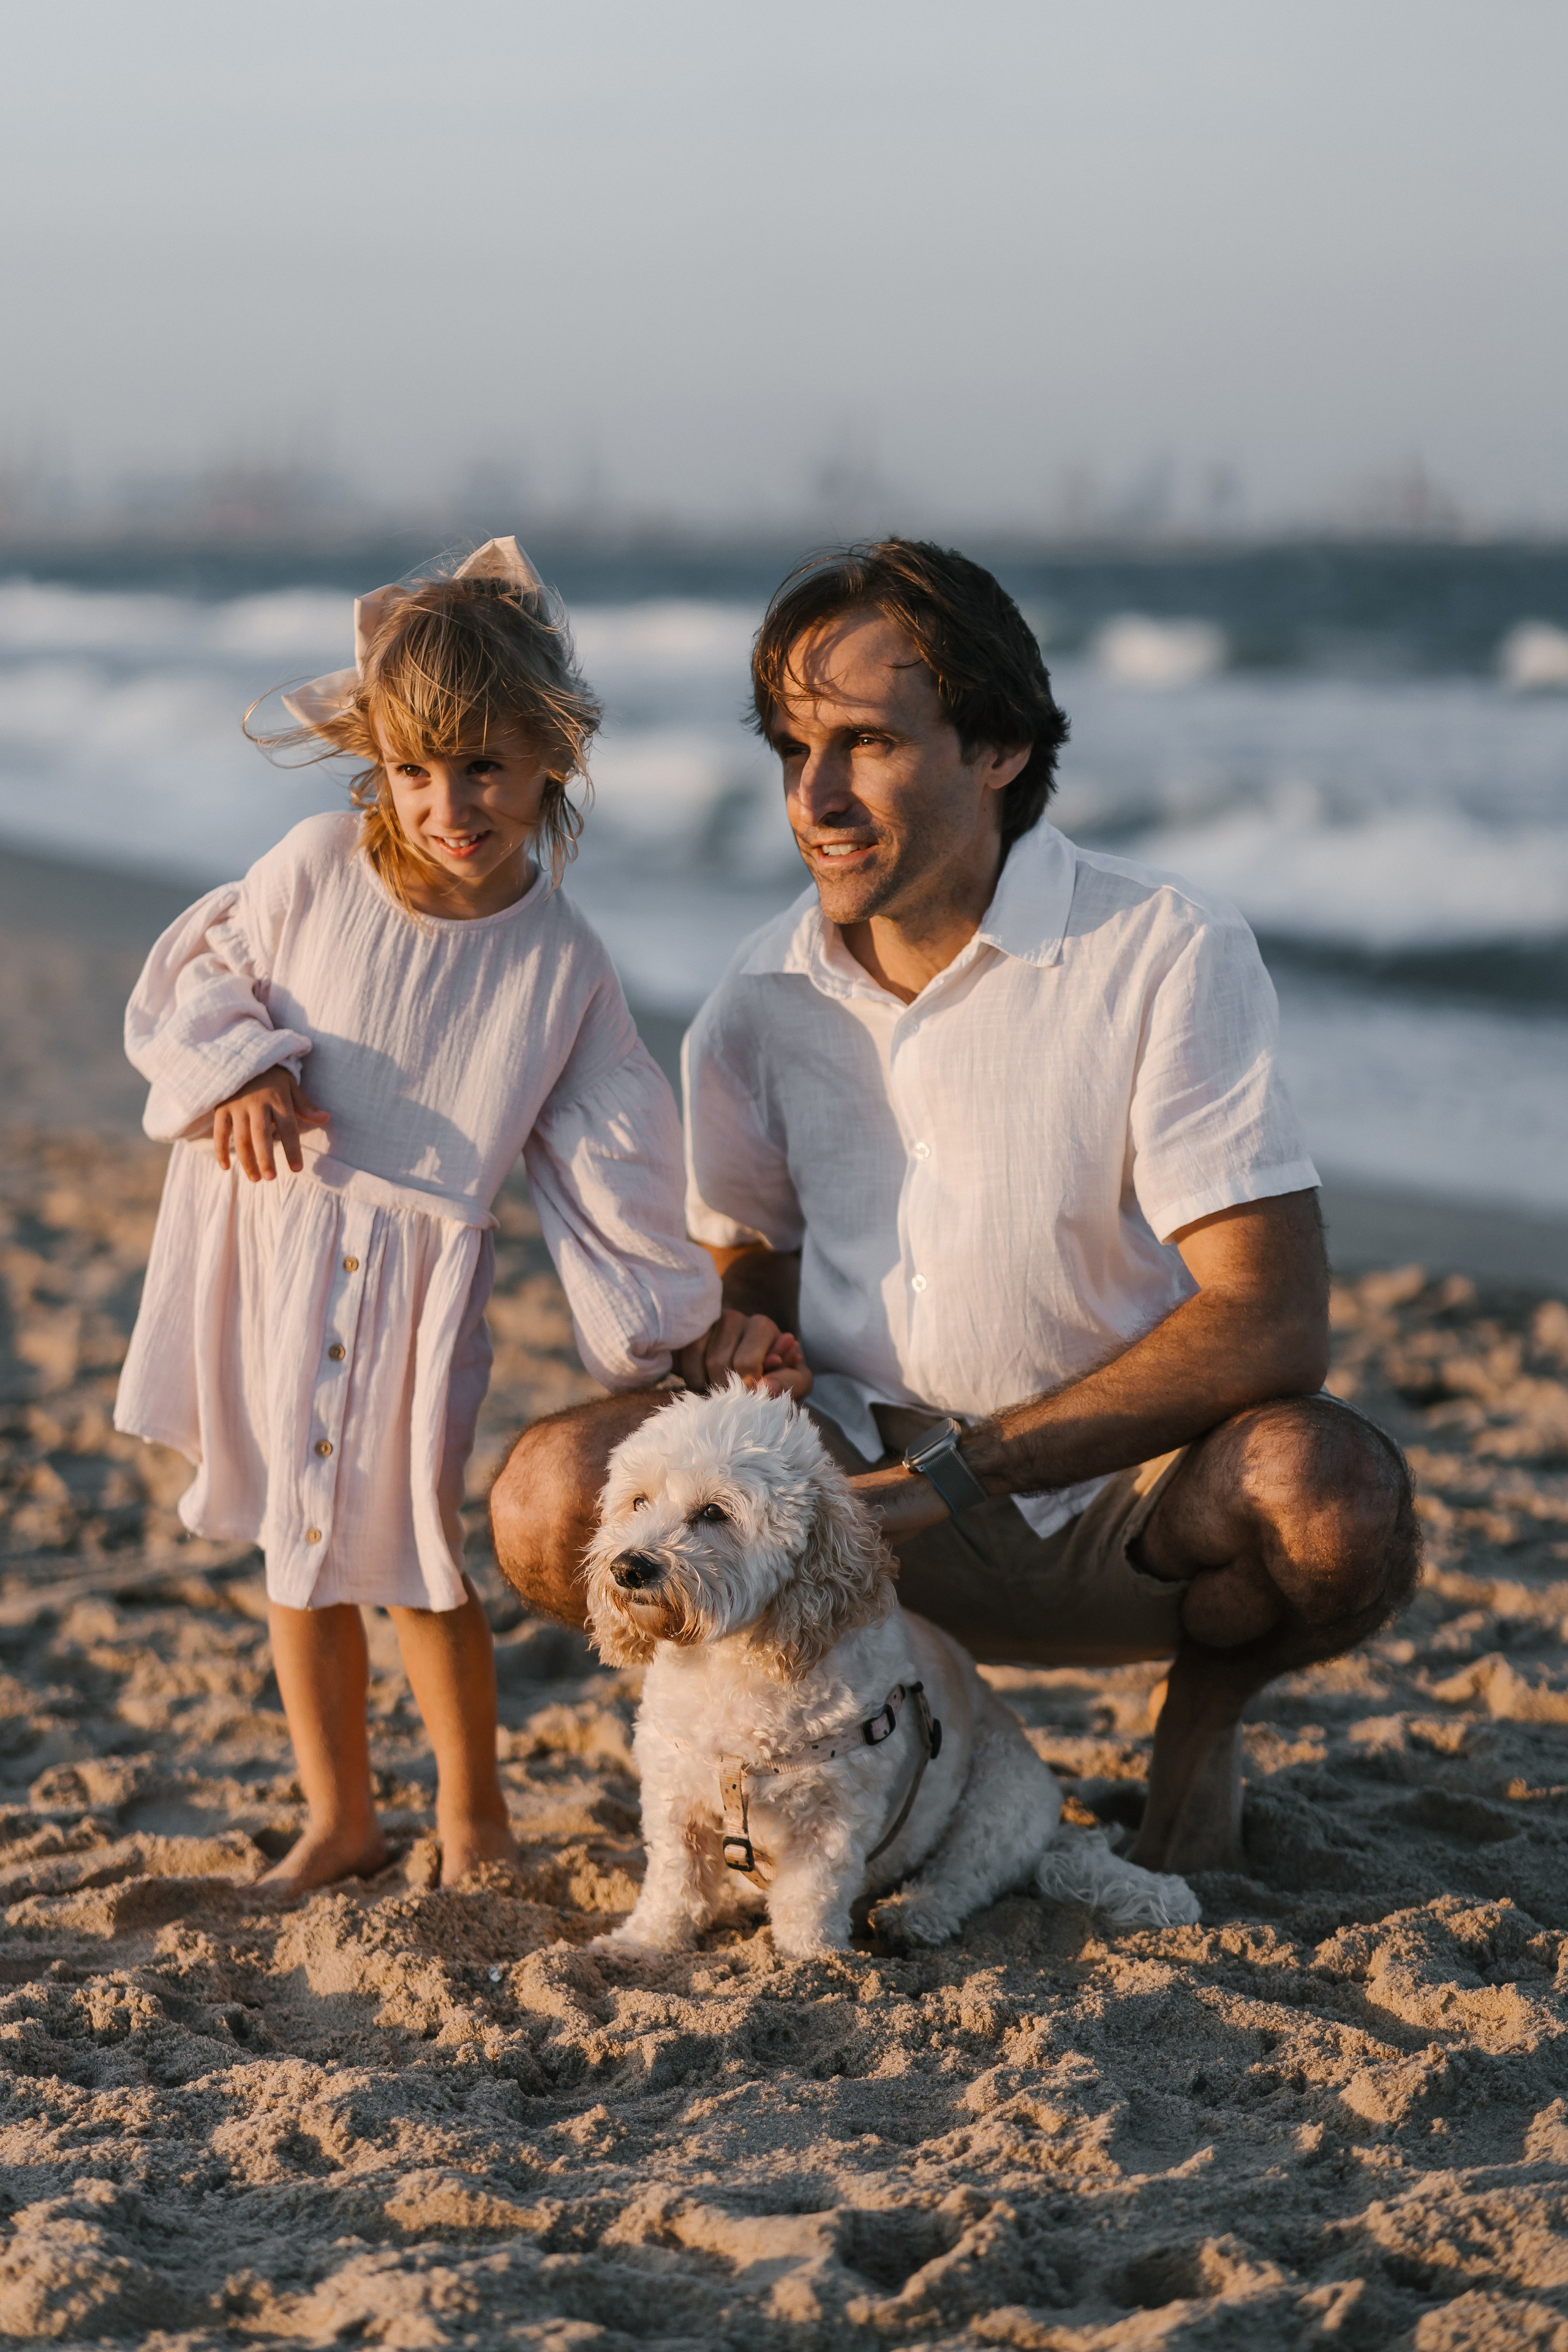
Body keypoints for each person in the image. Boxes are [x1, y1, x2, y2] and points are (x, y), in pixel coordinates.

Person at [490, 537, 1419, 1879]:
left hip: (1130, 1510)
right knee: (544, 1495)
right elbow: (746, 1283)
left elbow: (1269, 1321)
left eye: (865, 742)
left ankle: (1203, 1714)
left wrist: (960, 1473)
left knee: (1331, 1495)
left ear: (994, 747)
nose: (814, 796)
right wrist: (737, 1346)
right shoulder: (758, 1004)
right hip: (850, 1507)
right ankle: (776, 1735)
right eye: (791, 750)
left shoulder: (1160, 949)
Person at [113, 537, 766, 1900]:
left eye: (482, 767)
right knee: (298, 1549)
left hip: (420, 1281)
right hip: (273, 1241)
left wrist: (679, 1330)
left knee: (416, 1549)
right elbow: (200, 979)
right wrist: (244, 1070)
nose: (448, 803)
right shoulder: (310, 869)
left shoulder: (563, 968)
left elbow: (613, 1161)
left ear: (551, 760)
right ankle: (340, 1817)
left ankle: (474, 1822)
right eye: (416, 770)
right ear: (377, 766)